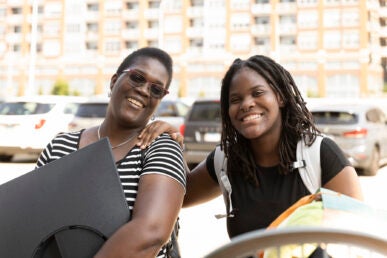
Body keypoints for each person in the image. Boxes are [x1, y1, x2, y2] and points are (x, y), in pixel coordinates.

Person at [182, 55, 363, 239]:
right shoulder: (225, 159)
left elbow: (357, 236)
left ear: (280, 97)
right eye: (235, 99)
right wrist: (170, 141)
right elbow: (179, 195)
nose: (246, 104)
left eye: (257, 93)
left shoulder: (319, 153)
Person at [36, 47, 186, 258]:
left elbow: (151, 233)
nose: (144, 90)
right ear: (114, 81)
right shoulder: (60, 145)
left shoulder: (161, 147)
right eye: (137, 77)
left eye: (156, 90)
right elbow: (33, 220)